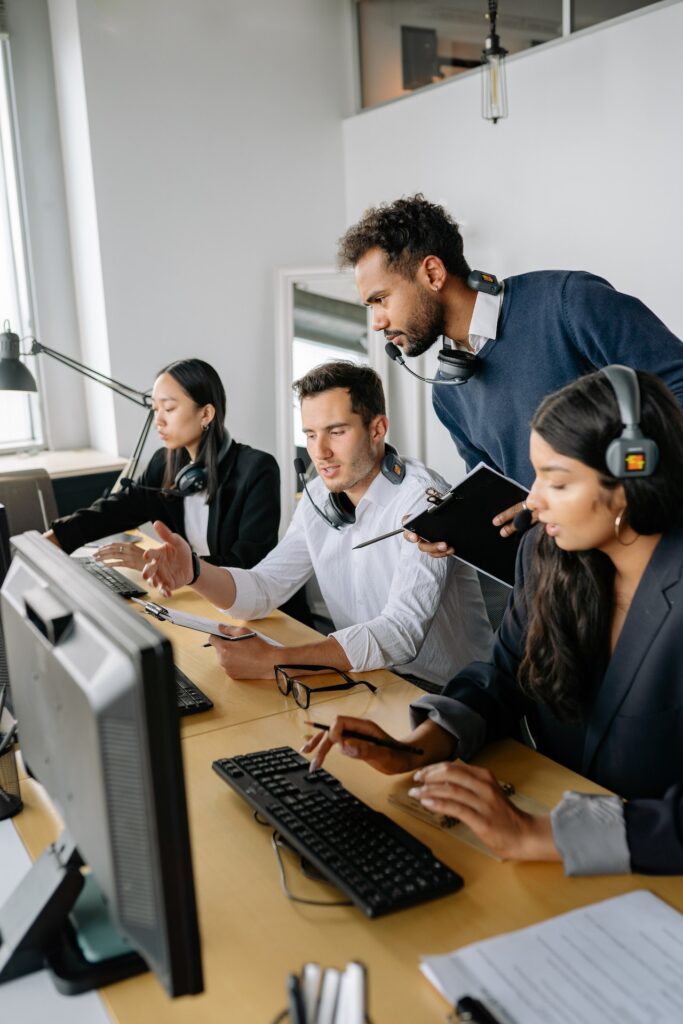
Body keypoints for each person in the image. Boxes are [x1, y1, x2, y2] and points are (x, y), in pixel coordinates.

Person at [302, 368, 683, 876]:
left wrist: (538, 833)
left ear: (632, 477)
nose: (533, 500)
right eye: (535, 475)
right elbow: (504, 677)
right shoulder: (548, 554)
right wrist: (418, 747)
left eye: (558, 480)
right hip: (554, 846)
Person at [338, 194, 683, 542]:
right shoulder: (446, 393)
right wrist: (455, 532)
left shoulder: (567, 302)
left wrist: (605, 483)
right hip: (559, 579)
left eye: (380, 300)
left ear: (432, 273)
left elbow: (677, 390)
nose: (377, 323)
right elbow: (504, 507)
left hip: (651, 550)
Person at [141, 361, 493, 688]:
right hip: (365, 677)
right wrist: (195, 572)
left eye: (336, 432)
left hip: (449, 691)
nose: (319, 452)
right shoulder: (318, 498)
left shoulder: (424, 500)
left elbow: (400, 634)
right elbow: (266, 587)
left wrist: (277, 661)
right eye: (310, 434)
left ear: (377, 429)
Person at [46, 358, 280, 572]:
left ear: (206, 414)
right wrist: (57, 537)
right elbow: (116, 510)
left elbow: (248, 563)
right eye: (155, 409)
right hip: (197, 593)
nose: (158, 420)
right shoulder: (164, 463)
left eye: (168, 409)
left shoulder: (257, 470)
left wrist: (165, 563)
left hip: (253, 605)